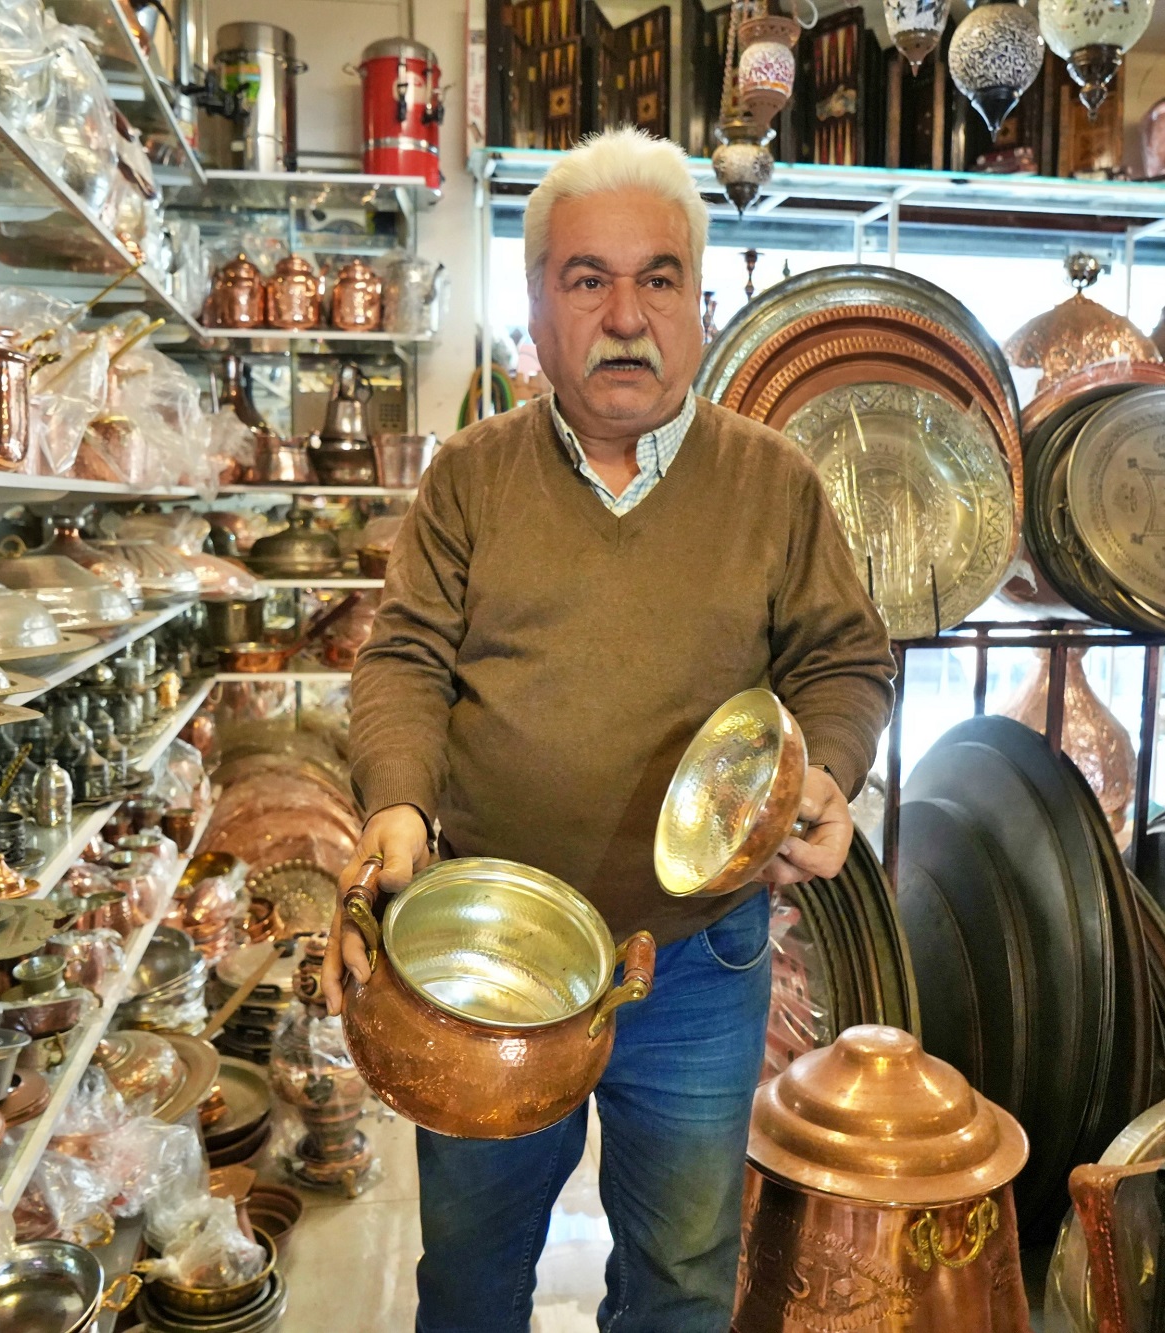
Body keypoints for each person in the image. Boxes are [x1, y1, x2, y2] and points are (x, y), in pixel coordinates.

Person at [323, 126, 897, 1332]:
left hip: (697, 958)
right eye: (587, 278)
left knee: (683, 1276)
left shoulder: (774, 481)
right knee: (471, 1277)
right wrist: (392, 803)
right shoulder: (471, 478)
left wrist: (828, 776)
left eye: (658, 278)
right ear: (537, 305)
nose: (625, 315)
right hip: (488, 958)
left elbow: (842, 660)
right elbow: (407, 659)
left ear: (699, 300)